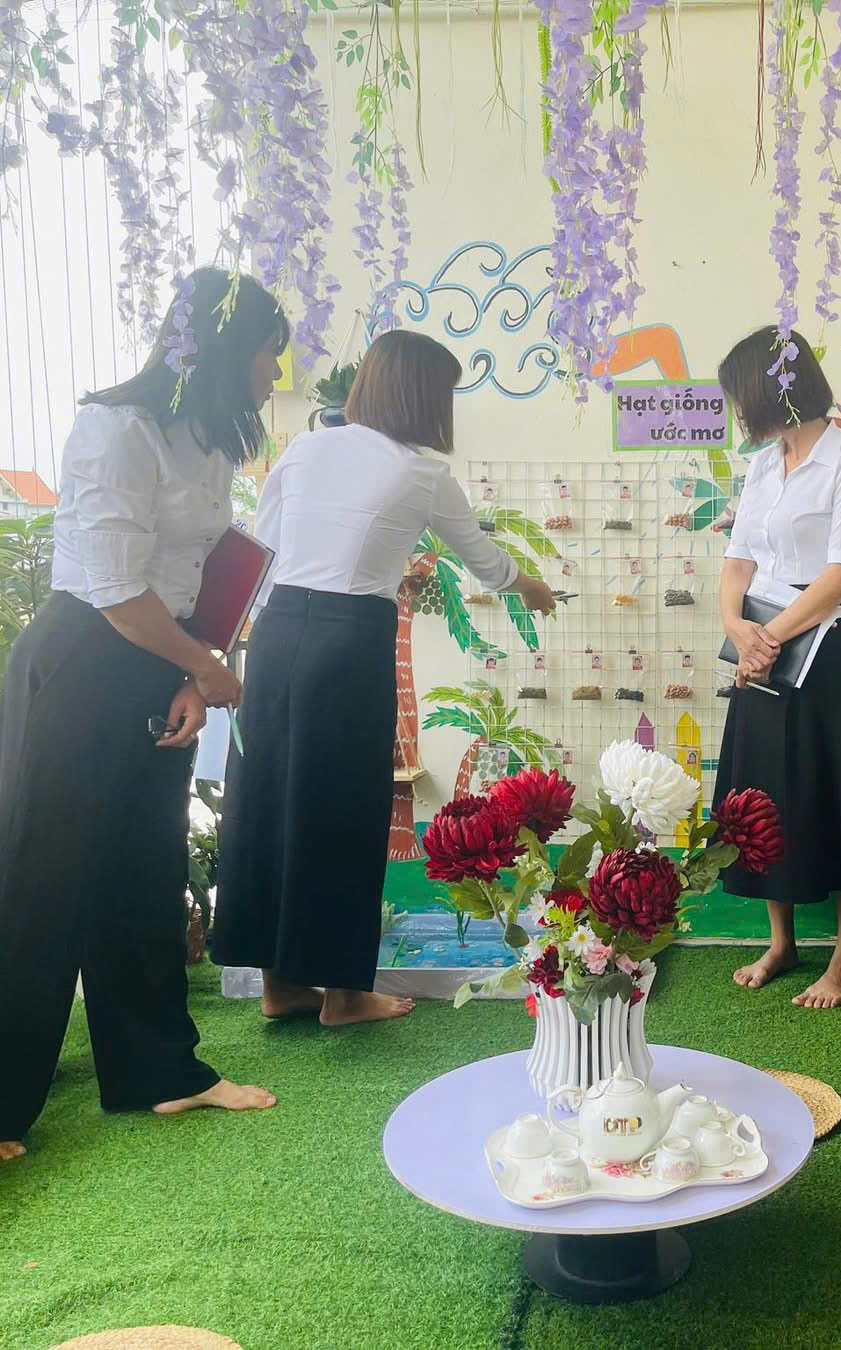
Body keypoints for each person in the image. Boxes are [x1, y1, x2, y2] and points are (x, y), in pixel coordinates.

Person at [0, 268, 288, 1162]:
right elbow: (116, 589)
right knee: (37, 876)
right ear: (226, 351)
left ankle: (161, 1070)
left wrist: (191, 678)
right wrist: (203, 666)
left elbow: (199, 575)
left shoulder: (210, 442)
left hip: (157, 661)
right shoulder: (115, 429)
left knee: (144, 868)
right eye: (268, 355)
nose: (275, 374)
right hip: (82, 661)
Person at [211, 330, 556, 1025]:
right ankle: (344, 994)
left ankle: (279, 987)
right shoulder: (422, 473)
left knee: (271, 799)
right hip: (348, 641)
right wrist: (532, 587)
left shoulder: (304, 449)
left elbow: (262, 550)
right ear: (425, 396)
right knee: (345, 808)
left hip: (276, 632)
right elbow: (484, 560)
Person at [713, 327, 841, 1009]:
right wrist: (736, 627)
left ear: (772, 390)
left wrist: (767, 638)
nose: (738, 411)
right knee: (765, 792)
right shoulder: (764, 466)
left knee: (840, 788)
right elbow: (738, 558)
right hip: (763, 642)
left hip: (831, 646)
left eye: (741, 396)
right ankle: (781, 942)